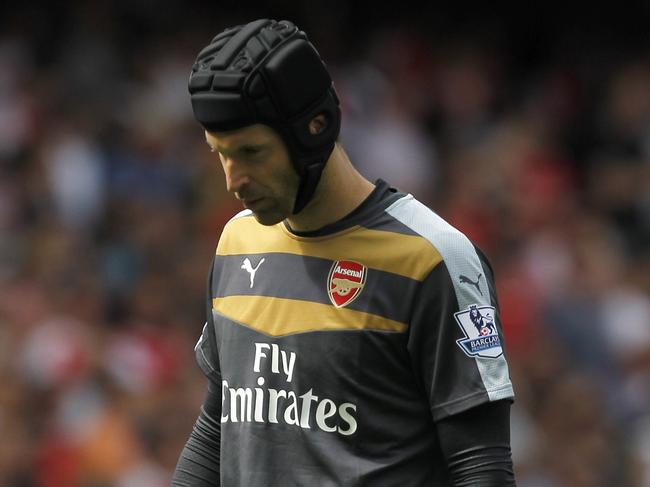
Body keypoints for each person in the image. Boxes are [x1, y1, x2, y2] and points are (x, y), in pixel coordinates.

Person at [173, 18, 516, 486]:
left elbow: (481, 466)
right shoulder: (238, 242)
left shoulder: (433, 259)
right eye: (221, 153)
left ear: (316, 128)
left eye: (251, 153)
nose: (233, 181)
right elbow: (218, 427)